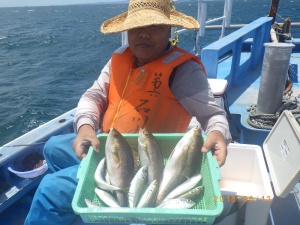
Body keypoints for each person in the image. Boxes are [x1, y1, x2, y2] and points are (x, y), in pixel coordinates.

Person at [24, 0, 231, 224]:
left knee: (50, 189)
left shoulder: (183, 71)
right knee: (53, 147)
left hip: (149, 163)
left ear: (169, 30)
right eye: (137, 27)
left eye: (154, 27)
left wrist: (218, 133)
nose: (143, 34)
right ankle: (86, 203)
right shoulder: (120, 57)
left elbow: (213, 115)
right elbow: (94, 95)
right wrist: (85, 126)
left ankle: (105, 199)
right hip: (110, 144)